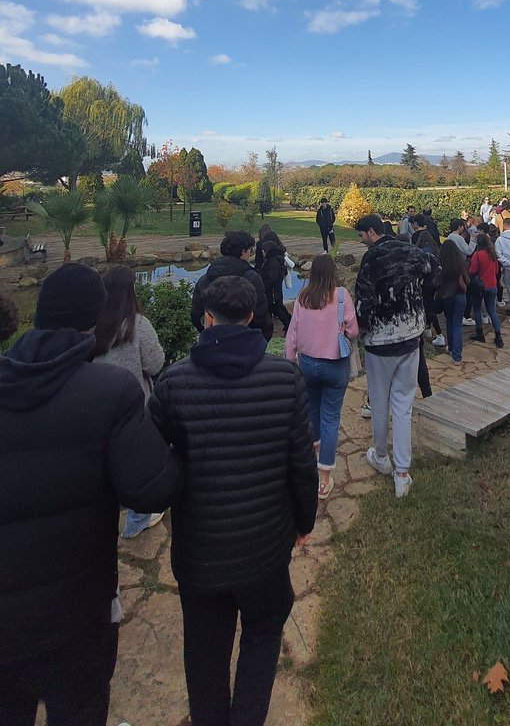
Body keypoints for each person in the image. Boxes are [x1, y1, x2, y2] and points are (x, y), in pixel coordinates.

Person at [0, 263, 181, 726]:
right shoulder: (109, 393)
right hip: (75, 607)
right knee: (78, 708)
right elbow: (154, 488)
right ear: (90, 321)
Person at [150, 276, 318, 726]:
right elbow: (302, 463)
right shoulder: (285, 379)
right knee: (262, 635)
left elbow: (152, 465)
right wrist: (305, 521)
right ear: (250, 319)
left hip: (200, 550)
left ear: (207, 319)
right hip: (264, 546)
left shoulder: (173, 383)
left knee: (204, 651)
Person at [354, 214, 430, 498]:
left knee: (380, 402)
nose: (360, 241)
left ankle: (381, 456)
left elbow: (365, 301)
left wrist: (360, 330)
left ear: (371, 232)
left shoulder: (371, 259)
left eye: (361, 235)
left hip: (380, 341)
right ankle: (402, 473)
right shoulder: (411, 250)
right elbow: (431, 267)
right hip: (410, 336)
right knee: (403, 404)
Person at [93, 265, 166, 538]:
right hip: (134, 404)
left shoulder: (91, 324)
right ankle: (136, 521)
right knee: (136, 463)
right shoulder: (137, 324)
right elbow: (156, 362)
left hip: (94, 401)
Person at [285, 254, 358, 498]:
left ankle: (314, 450)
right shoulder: (340, 296)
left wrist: (289, 360)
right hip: (334, 364)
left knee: (312, 411)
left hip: (307, 363)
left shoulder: (303, 297)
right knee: (330, 418)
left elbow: (292, 333)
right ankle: (324, 477)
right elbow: (354, 330)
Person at [191, 230, 272, 340]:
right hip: (244, 342)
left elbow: (196, 314)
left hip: (213, 340)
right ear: (243, 251)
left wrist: (208, 333)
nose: (250, 253)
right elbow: (260, 315)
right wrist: (261, 339)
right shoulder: (251, 278)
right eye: (250, 250)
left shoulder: (205, 279)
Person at [435, 240, 469, 363]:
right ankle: (457, 355)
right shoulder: (460, 264)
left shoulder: (440, 265)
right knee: (457, 324)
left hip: (446, 296)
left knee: (449, 321)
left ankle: (451, 347)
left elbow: (436, 282)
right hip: (460, 294)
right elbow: (468, 280)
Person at [468, 233, 503, 348]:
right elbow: (497, 270)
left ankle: (479, 333)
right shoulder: (493, 255)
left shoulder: (477, 255)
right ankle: (498, 336)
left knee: (477, 309)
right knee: (492, 310)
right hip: (492, 285)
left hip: (480, 286)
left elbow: (473, 271)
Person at [260, 234, 292, 332]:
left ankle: (288, 324)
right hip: (275, 290)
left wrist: (264, 286)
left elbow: (272, 278)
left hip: (272, 291)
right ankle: (289, 322)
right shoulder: (275, 259)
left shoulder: (273, 262)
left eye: (263, 251)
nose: (263, 253)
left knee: (277, 308)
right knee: (279, 307)